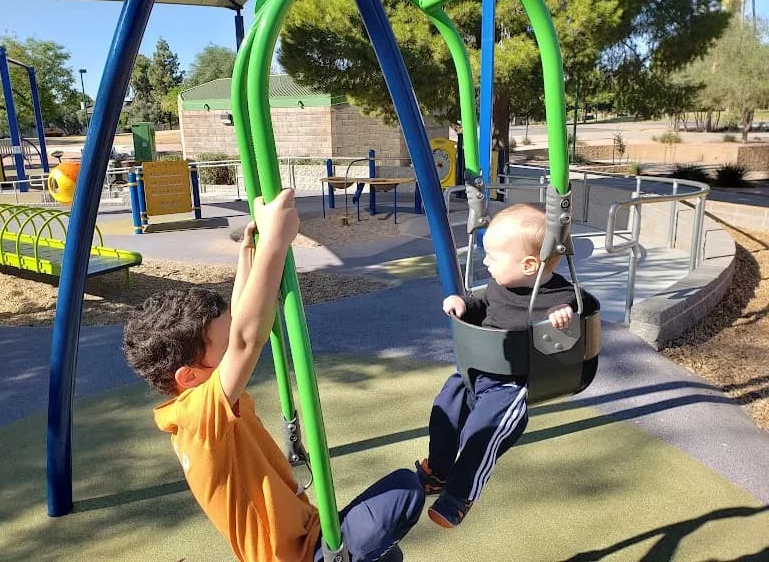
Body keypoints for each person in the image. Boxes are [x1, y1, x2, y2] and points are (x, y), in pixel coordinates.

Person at [124, 189, 423, 562]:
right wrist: (277, 242)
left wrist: (248, 252)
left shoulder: (205, 399)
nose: (231, 351)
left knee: (391, 548)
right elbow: (246, 340)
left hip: (306, 530)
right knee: (406, 491)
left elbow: (237, 321)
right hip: (296, 556)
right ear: (188, 376)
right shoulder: (198, 418)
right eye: (223, 348)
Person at [416, 202, 590, 529]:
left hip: (508, 384)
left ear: (527, 264)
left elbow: (572, 310)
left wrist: (561, 317)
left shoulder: (559, 294)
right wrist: (461, 302)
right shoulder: (501, 284)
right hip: (474, 369)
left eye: (493, 258)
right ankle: (439, 471)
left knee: (481, 434)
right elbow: (482, 302)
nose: (485, 262)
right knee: (445, 411)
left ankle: (458, 496)